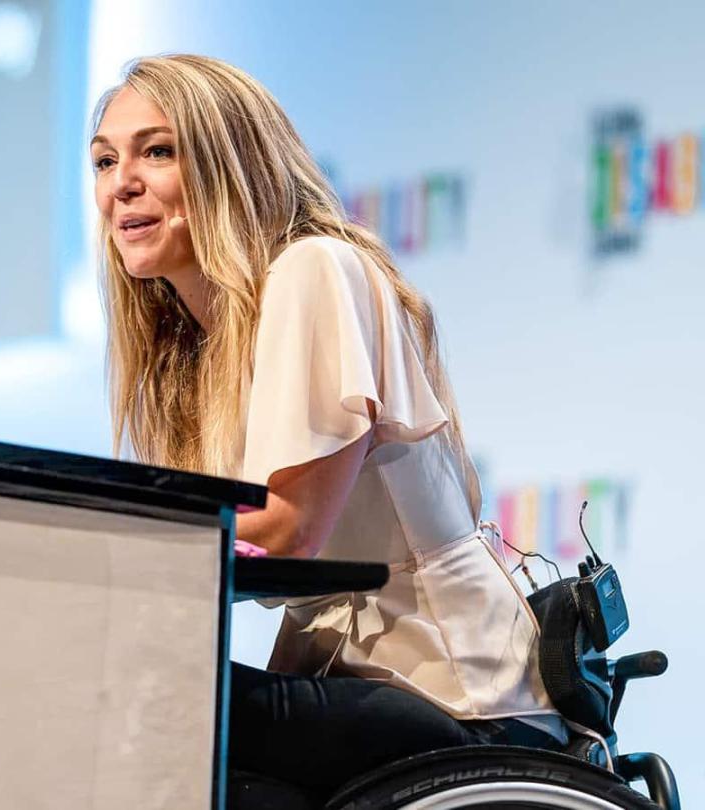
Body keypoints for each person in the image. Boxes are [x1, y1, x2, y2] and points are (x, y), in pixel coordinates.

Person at [89, 54, 568, 804]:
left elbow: (287, 529)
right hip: (347, 678)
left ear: (231, 161)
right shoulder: (195, 349)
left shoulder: (314, 269)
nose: (122, 183)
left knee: (137, 695)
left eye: (158, 150)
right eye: (104, 161)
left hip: (457, 696)